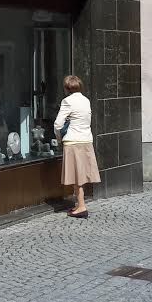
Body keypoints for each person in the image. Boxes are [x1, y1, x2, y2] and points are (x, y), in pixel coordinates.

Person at [54, 75, 100, 218]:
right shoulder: (86, 100)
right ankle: (80, 204)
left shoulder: (67, 101)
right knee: (81, 174)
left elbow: (58, 124)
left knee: (76, 175)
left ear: (66, 88)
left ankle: (81, 206)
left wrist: (59, 139)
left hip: (73, 141)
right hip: (86, 140)